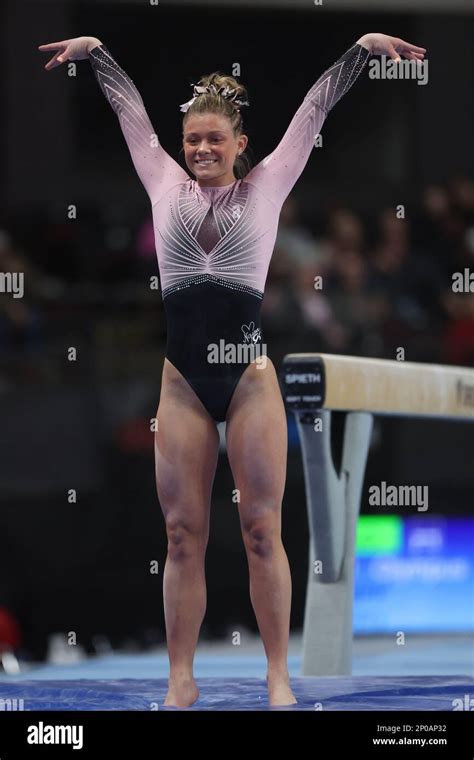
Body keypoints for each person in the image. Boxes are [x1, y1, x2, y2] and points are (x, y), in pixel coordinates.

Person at [39, 32, 426, 707]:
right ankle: (180, 679)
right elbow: (128, 111)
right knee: (183, 535)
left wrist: (360, 52)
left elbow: (315, 112)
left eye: (215, 139)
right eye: (192, 139)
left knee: (260, 528)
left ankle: (278, 674)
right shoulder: (162, 180)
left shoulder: (269, 184)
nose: (201, 149)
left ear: (240, 143)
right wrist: (98, 54)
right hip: (183, 384)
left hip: (249, 380)